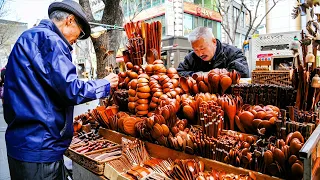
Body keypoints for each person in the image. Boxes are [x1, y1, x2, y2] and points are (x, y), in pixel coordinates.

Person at [3, 0, 119, 179]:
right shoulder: (51, 40)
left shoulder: (28, 37)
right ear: (70, 20)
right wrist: (104, 84)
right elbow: (70, 89)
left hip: (22, 144)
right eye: (78, 34)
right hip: (40, 148)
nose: (74, 42)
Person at [177, 27, 249, 78]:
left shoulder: (233, 53)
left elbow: (243, 72)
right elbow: (180, 72)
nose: (200, 54)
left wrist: (216, 74)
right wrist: (197, 75)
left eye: (202, 48)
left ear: (214, 41)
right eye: (196, 50)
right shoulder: (191, 57)